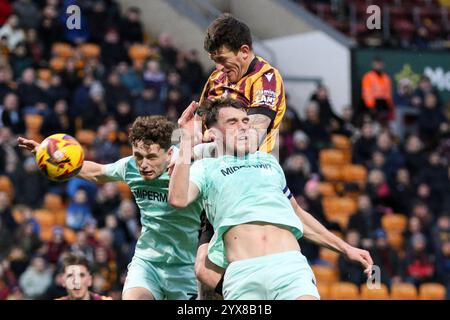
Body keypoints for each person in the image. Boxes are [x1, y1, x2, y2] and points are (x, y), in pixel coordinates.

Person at [169, 98, 373, 300]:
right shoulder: (205, 168)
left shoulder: (269, 162)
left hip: (290, 268)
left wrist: (346, 248)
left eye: (245, 121)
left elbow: (298, 214)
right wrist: (186, 141)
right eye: (232, 122)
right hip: (242, 275)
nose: (242, 127)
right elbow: (178, 199)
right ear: (213, 134)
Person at [17, 115, 203, 300]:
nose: (143, 165)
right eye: (138, 156)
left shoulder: (192, 169)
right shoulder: (130, 167)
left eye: (151, 157)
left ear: (170, 153)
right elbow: (97, 172)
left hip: (186, 266)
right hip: (148, 262)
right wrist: (50, 158)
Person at [188, 13, 289, 298]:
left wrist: (198, 149)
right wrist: (186, 144)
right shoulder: (217, 79)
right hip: (218, 183)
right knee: (204, 276)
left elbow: (251, 139)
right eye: (215, 61)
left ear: (244, 51)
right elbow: (198, 123)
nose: (219, 68)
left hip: (252, 185)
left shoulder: (266, 79)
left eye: (222, 59)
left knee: (233, 268)